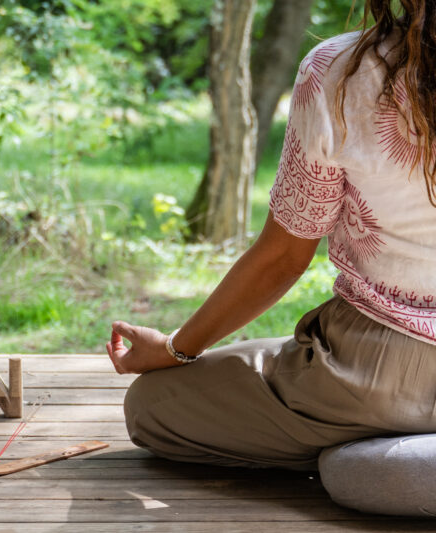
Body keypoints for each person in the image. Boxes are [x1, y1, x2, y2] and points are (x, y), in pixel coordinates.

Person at [106, 0, 436, 471]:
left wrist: (176, 348)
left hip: (375, 370)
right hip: (381, 369)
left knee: (150, 406)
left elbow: (284, 257)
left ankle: (361, 438)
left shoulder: (340, 72)